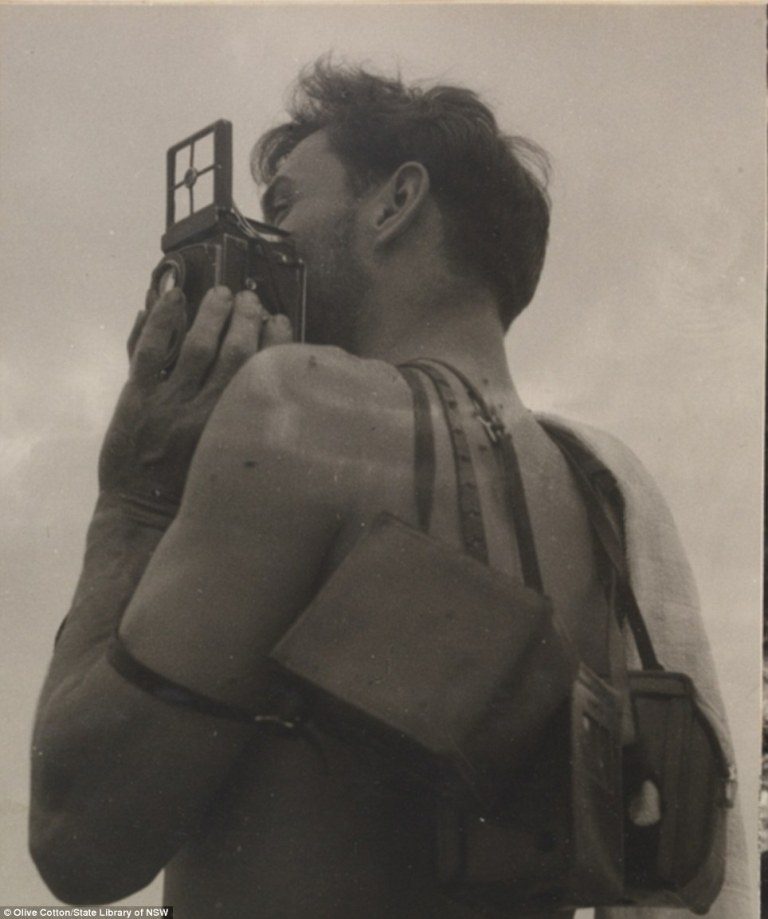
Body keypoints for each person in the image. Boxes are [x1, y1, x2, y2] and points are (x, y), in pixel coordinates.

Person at [29, 61, 747, 919]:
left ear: (397, 202)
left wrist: (134, 497)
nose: (263, 239)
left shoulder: (296, 405)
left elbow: (77, 838)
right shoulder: (601, 494)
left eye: (284, 206)